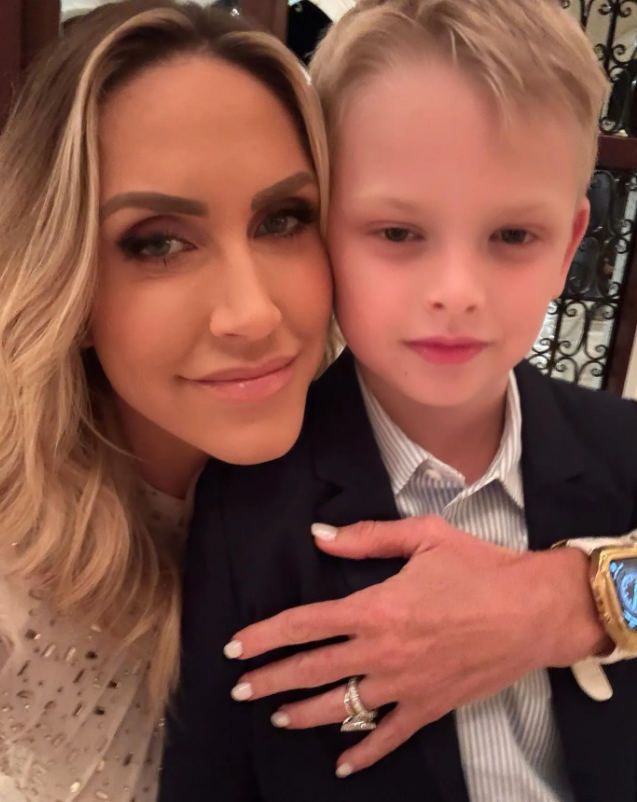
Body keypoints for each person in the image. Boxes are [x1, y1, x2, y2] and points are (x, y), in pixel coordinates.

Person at [160, 0, 637, 800]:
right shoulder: (245, 508)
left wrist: (586, 599)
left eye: (511, 236)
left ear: (568, 246)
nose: (456, 290)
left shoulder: (622, 444)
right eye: (396, 233)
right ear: (321, 231)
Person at [0, 2, 334, 800]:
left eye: (282, 220)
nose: (252, 313)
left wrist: (580, 599)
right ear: (67, 280)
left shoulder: (382, 454)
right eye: (157, 242)